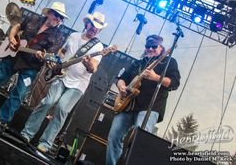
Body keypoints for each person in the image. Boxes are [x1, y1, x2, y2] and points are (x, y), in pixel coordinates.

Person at [21, 11, 108, 153]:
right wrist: (58, 62)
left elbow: (93, 69)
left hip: (78, 84)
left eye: (98, 29)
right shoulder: (73, 36)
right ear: (87, 24)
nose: (94, 30)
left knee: (62, 109)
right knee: (47, 103)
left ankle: (46, 143)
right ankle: (26, 134)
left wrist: (87, 64)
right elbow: (62, 51)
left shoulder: (98, 47)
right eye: (93, 27)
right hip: (61, 76)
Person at [0, 2, 67, 128]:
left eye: (61, 18)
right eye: (57, 15)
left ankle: (2, 121)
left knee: (19, 93)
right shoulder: (34, 19)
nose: (58, 19)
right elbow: (17, 26)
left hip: (31, 67)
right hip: (13, 56)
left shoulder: (58, 36)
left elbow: (50, 55)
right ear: (49, 13)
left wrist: (44, 57)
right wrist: (11, 36)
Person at [106, 34, 181, 165]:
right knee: (114, 136)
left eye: (154, 46)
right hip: (127, 105)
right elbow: (122, 78)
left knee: (138, 142)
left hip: (149, 107)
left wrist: (156, 77)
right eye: (147, 46)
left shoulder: (169, 61)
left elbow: (174, 83)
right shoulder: (138, 63)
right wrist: (122, 87)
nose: (150, 49)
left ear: (161, 48)